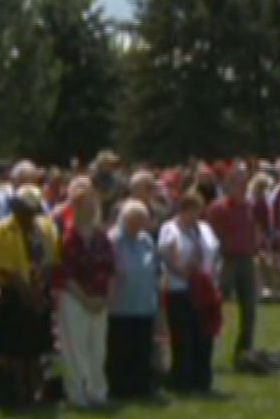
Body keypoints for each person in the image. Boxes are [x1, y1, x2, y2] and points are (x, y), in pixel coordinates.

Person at [0, 186, 59, 408]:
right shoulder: (2, 229)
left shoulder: (46, 227)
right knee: (15, 347)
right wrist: (28, 293)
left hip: (39, 289)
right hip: (13, 293)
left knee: (38, 346)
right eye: (24, 210)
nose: (29, 215)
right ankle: (17, 391)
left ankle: (36, 389)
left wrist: (41, 288)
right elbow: (3, 268)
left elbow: (52, 259)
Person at [159, 190, 222, 395]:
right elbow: (167, 254)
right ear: (183, 210)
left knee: (204, 334)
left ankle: (202, 379)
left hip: (204, 289)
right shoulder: (170, 228)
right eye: (193, 212)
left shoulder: (204, 228)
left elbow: (213, 252)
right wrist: (184, 270)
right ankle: (182, 380)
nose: (196, 216)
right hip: (180, 289)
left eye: (199, 212)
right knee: (183, 336)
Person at [58, 185, 114, 410]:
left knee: (98, 348)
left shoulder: (102, 237)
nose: (91, 210)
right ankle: (76, 393)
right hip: (75, 299)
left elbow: (110, 268)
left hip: (99, 301)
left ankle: (97, 391)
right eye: (86, 205)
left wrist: (105, 297)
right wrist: (85, 299)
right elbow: (65, 274)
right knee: (75, 348)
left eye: (94, 205)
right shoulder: (67, 237)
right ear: (75, 207)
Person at [206, 165, 261, 369]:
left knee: (249, 307)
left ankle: (244, 352)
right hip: (226, 259)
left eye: (245, 184)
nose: (243, 188)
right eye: (239, 184)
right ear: (230, 186)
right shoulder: (218, 208)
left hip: (246, 259)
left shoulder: (248, 206)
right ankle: (210, 346)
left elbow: (253, 229)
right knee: (218, 303)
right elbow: (209, 234)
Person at [108, 200, 161, 401]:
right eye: (136, 220)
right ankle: (120, 387)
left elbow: (154, 267)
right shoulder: (113, 240)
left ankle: (141, 385)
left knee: (142, 346)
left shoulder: (146, 240)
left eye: (143, 220)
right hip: (121, 305)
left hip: (144, 303)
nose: (140, 225)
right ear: (125, 219)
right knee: (121, 348)